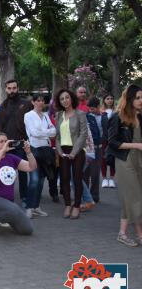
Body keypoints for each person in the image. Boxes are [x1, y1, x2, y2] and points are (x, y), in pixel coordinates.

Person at [0, 133, 36, 238]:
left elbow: (31, 167)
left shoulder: (12, 158)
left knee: (27, 229)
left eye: (6, 141)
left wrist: (29, 153)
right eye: (1, 142)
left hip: (7, 202)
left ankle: (4, 217)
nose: (4, 144)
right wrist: (2, 152)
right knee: (13, 210)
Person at [108, 85, 142, 247]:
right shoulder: (117, 117)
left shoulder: (140, 116)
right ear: (129, 99)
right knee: (135, 198)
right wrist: (136, 146)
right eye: (137, 98)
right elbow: (112, 142)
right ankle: (140, 234)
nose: (141, 101)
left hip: (139, 161)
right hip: (125, 161)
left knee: (130, 198)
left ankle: (122, 233)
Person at [0, 79, 32, 207]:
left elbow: (31, 124)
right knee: (7, 173)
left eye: (14, 88)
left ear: (17, 88)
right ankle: (7, 197)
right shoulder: (3, 106)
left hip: (21, 143)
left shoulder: (26, 104)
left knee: (23, 172)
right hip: (7, 146)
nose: (12, 90)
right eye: (9, 88)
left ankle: (24, 198)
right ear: (6, 89)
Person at [55, 89, 88, 219]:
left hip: (78, 150)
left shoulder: (80, 114)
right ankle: (68, 205)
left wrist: (74, 152)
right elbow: (57, 136)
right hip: (63, 151)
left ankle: (77, 206)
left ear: (71, 98)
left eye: (67, 97)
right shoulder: (58, 115)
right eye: (62, 99)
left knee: (77, 179)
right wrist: (60, 151)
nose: (65, 100)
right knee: (64, 178)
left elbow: (83, 134)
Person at [23, 94, 56, 218]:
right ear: (33, 102)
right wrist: (47, 133)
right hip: (34, 150)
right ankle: (28, 207)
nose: (40, 103)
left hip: (46, 150)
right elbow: (33, 133)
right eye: (38, 100)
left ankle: (36, 206)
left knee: (41, 181)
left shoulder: (46, 116)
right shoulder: (28, 115)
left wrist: (44, 133)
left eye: (42, 101)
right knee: (34, 180)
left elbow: (54, 132)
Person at [84, 97, 106, 203]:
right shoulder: (86, 117)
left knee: (95, 173)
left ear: (99, 107)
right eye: (90, 109)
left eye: (93, 109)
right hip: (88, 148)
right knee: (85, 173)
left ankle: (95, 195)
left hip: (98, 148)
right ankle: (86, 195)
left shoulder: (104, 117)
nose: (91, 111)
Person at [102, 94, 116, 187]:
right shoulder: (101, 112)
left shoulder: (117, 111)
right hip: (103, 138)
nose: (110, 100)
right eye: (108, 99)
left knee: (113, 158)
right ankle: (104, 179)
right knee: (103, 158)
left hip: (114, 139)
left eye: (111, 99)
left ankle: (111, 179)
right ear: (104, 100)